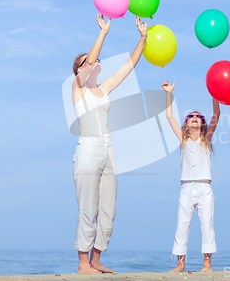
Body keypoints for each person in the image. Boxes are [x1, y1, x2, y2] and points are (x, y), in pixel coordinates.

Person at [71, 14, 147, 274]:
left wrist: (143, 38)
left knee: (108, 209)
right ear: (79, 70)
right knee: (88, 206)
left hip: (108, 149)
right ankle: (83, 264)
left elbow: (128, 66)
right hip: (88, 148)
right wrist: (103, 32)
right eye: (86, 62)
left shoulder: (103, 89)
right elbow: (90, 60)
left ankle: (95, 259)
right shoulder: (77, 87)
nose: (93, 62)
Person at [162, 80, 220, 272]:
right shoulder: (183, 139)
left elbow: (216, 115)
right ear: (186, 124)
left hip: (204, 187)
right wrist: (169, 93)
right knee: (182, 225)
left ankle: (207, 263)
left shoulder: (207, 139)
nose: (194, 117)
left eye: (198, 116)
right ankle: (180, 263)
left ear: (202, 124)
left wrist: (215, 94)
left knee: (207, 225)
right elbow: (169, 116)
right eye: (190, 116)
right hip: (186, 187)